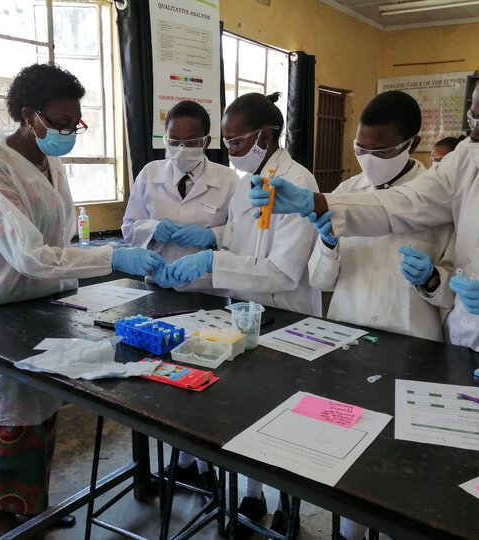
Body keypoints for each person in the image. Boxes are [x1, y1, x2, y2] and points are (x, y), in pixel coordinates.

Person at [250, 47, 479, 373]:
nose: (476, 136)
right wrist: (318, 202)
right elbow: (406, 202)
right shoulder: (468, 158)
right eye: (474, 121)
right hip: (464, 348)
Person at [0, 63, 165, 537]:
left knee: (40, 407)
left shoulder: (52, 162)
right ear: (30, 115)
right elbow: (28, 254)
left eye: (76, 123)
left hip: (38, 304)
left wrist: (89, 274)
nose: (70, 132)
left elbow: (57, 239)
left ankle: (29, 510)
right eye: (62, 122)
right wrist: (114, 258)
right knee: (1, 413)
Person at [166, 92, 321, 538]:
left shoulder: (299, 185)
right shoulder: (246, 180)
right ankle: (251, 495)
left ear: (265, 137)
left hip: (285, 319)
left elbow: (283, 273)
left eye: (235, 143)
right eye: (228, 143)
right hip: (241, 311)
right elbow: (237, 235)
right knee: (241, 413)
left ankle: (287, 506)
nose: (229, 152)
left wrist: (213, 265)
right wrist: (207, 237)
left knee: (277, 418)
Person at [308, 91, 454, 347]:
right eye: (361, 149)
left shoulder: (438, 201)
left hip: (411, 342)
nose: (369, 159)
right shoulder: (345, 194)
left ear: (412, 143)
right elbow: (320, 281)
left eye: (382, 152)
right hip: (345, 334)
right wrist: (328, 245)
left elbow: (455, 295)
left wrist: (432, 279)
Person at [121, 100, 238, 287]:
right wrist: (152, 229)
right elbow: (129, 228)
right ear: (166, 140)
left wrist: (212, 235)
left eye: (191, 142)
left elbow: (240, 232)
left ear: (206, 141)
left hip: (209, 288)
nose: (181, 149)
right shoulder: (149, 174)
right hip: (157, 281)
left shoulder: (229, 180)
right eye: (174, 142)